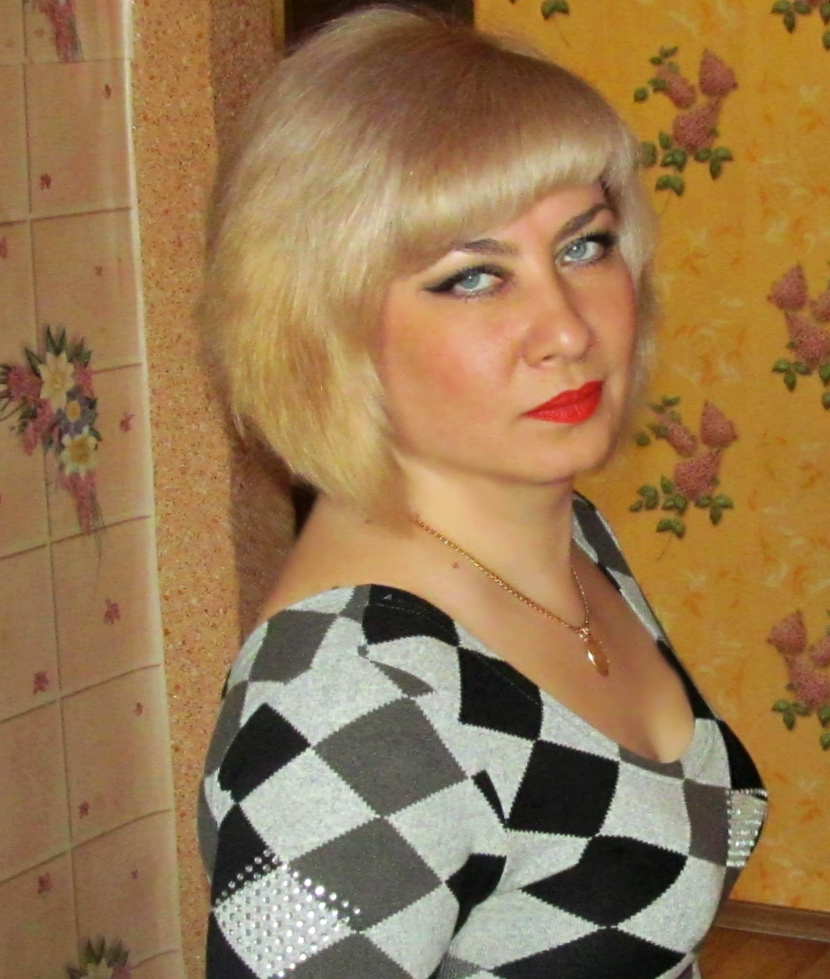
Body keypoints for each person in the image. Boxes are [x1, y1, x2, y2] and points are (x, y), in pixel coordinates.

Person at [197, 8, 767, 978]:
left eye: (583, 246)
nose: (567, 328)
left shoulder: (556, 532)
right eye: (471, 278)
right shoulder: (353, 707)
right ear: (323, 324)